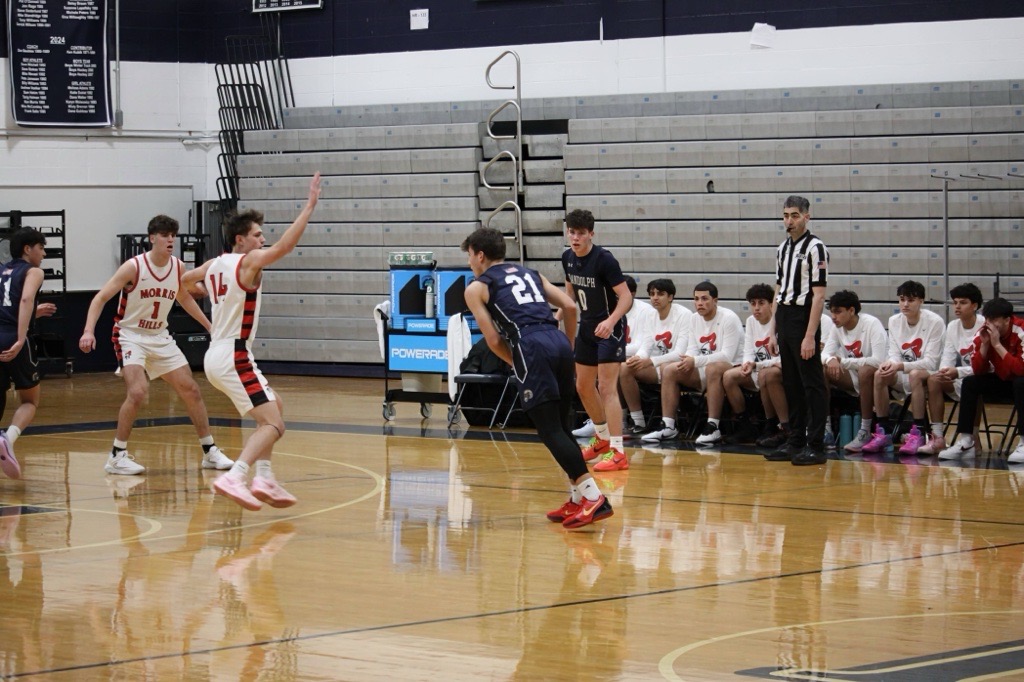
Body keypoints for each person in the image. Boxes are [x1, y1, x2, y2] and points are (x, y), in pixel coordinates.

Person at [181, 173, 321, 510]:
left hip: (219, 353)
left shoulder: (214, 264)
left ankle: (266, 477)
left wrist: (208, 302)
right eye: (258, 235)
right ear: (240, 240)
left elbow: (184, 283)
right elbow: (286, 246)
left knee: (276, 404)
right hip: (234, 354)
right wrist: (309, 206)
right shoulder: (248, 261)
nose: (263, 240)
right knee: (273, 423)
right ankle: (236, 475)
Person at [462, 226, 613, 528]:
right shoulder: (530, 273)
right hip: (556, 340)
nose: (469, 262)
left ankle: (594, 496)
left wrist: (517, 361)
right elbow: (569, 306)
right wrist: (567, 344)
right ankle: (576, 498)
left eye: (469, 256)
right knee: (562, 427)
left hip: (530, 346)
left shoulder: (476, 287)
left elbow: (492, 340)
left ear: (479, 254)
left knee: (548, 430)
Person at [79, 215, 233, 476]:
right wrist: (87, 331)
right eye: (164, 234)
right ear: (152, 238)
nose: (170, 239)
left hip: (160, 336)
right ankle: (117, 456)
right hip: (130, 334)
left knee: (191, 390)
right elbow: (101, 298)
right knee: (138, 392)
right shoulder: (133, 267)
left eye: (173, 234)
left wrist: (210, 327)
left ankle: (209, 452)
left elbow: (184, 297)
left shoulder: (178, 267)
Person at [562, 209, 633, 472]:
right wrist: (558, 313)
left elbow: (626, 297)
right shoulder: (567, 257)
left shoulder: (604, 260)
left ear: (591, 233)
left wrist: (612, 321)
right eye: (572, 232)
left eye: (581, 233)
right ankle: (601, 438)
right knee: (582, 386)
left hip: (609, 327)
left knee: (606, 388)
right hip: (587, 326)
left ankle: (618, 451)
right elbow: (570, 295)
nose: (575, 237)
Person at [765, 196, 829, 466]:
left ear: (806, 217)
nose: (788, 221)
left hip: (804, 318)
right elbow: (778, 290)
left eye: (794, 215)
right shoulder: (782, 248)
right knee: (791, 383)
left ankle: (816, 444)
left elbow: (819, 295)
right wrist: (771, 329)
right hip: (785, 317)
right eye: (785, 215)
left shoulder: (816, 248)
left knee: (812, 384)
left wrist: (809, 335)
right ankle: (795, 441)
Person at [642, 281, 743, 444]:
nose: (700, 303)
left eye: (704, 299)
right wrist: (688, 361)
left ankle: (713, 426)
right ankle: (668, 426)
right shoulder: (694, 319)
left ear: (715, 300)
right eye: (696, 299)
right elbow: (691, 350)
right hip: (705, 367)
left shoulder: (729, 318)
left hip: (732, 368)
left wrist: (695, 360)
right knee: (669, 369)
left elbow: (727, 356)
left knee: (712, 368)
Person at [860, 281, 944, 453]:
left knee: (914, 374)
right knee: (879, 374)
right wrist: (890, 364)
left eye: (911, 300)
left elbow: (931, 362)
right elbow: (894, 354)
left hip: (929, 374)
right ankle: (883, 432)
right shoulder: (894, 321)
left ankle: (918, 432)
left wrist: (899, 365)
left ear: (921, 301)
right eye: (902, 299)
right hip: (904, 370)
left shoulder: (935, 322)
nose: (905, 304)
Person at [938, 297, 1024, 461]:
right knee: (971, 383)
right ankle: (967, 441)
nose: (990, 324)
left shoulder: (1021, 331)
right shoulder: (983, 333)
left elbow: (1021, 369)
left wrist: (997, 345)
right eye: (988, 319)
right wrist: (984, 346)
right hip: (1003, 381)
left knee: (1021, 382)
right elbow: (978, 370)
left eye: (995, 320)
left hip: (1020, 381)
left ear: (1007, 319)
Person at [0, 228, 54, 479]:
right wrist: (21, 338)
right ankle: (7, 439)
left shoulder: (1, 271)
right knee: (30, 401)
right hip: (13, 337)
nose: (43, 254)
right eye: (41, 248)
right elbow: (25, 299)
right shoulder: (34, 271)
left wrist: (34, 313)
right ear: (27, 249)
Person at [573, 274, 654, 439]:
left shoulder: (646, 311)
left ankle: (628, 425)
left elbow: (645, 344)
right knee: (585, 380)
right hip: (623, 354)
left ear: (630, 294)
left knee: (616, 372)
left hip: (644, 358)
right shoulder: (604, 309)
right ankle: (601, 424)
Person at [916, 283, 985, 455]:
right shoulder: (953, 326)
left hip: (982, 377)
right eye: (955, 302)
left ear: (975, 305)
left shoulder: (985, 326)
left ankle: (973, 438)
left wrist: (958, 372)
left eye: (963, 302)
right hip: (960, 376)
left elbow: (986, 367)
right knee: (934, 379)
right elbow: (947, 358)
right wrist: (946, 370)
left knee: (972, 384)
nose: (957, 307)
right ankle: (938, 437)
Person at [619, 278, 692, 437]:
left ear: (670, 297)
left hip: (679, 367)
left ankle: (669, 425)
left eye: (660, 294)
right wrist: (638, 358)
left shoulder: (684, 315)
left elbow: (680, 352)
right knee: (624, 367)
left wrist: (651, 361)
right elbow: (646, 346)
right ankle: (638, 421)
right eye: (652, 294)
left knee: (667, 368)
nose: (655, 297)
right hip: (657, 366)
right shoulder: (650, 316)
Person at [821, 290, 887, 453]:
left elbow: (878, 360)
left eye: (838, 312)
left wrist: (842, 361)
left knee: (865, 370)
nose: (833, 317)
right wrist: (831, 360)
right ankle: (826, 429)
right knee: (821, 368)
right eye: (832, 312)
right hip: (853, 377)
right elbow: (824, 354)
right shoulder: (837, 328)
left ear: (851, 310)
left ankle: (865, 430)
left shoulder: (871, 323)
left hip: (879, 376)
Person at [722, 283, 788, 445]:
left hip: (780, 372)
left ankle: (781, 426)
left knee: (768, 374)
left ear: (772, 304)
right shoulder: (751, 321)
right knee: (729, 376)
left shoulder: (781, 321)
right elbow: (748, 349)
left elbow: (783, 360)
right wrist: (747, 363)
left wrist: (756, 366)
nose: (756, 308)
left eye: (761, 303)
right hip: (760, 368)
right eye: (753, 304)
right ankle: (745, 426)